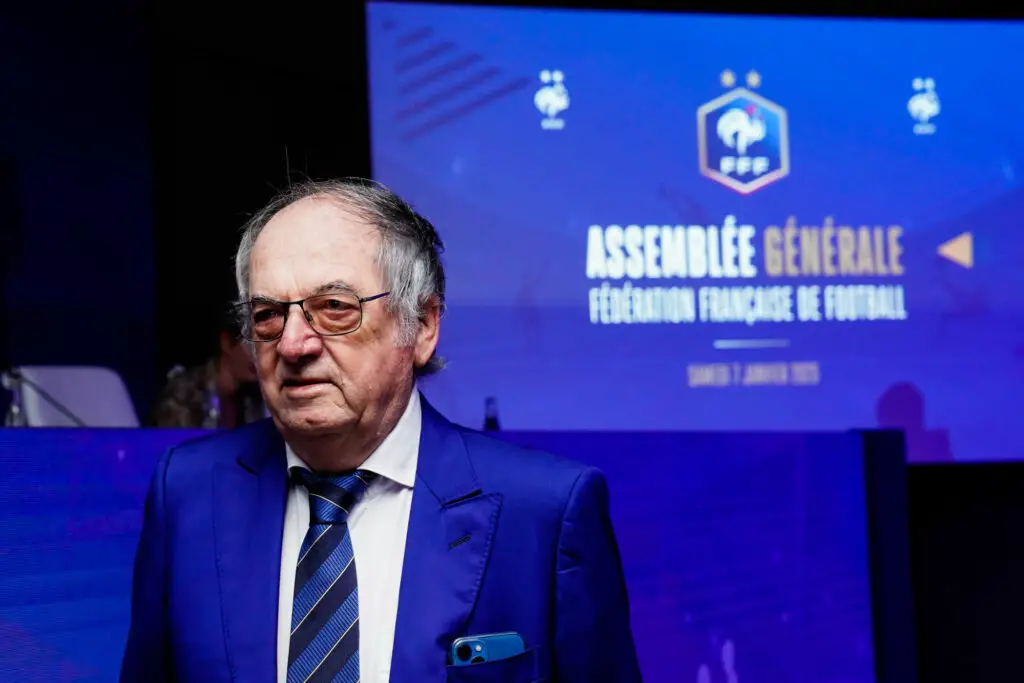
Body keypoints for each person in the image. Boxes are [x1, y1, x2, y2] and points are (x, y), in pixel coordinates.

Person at [120, 178, 640, 683]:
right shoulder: (188, 493)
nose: (293, 344)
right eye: (268, 315)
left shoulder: (544, 511)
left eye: (334, 308)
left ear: (423, 326)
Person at [148, 315, 265, 429]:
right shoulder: (185, 393)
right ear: (226, 342)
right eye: (251, 344)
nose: (259, 356)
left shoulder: (255, 396)